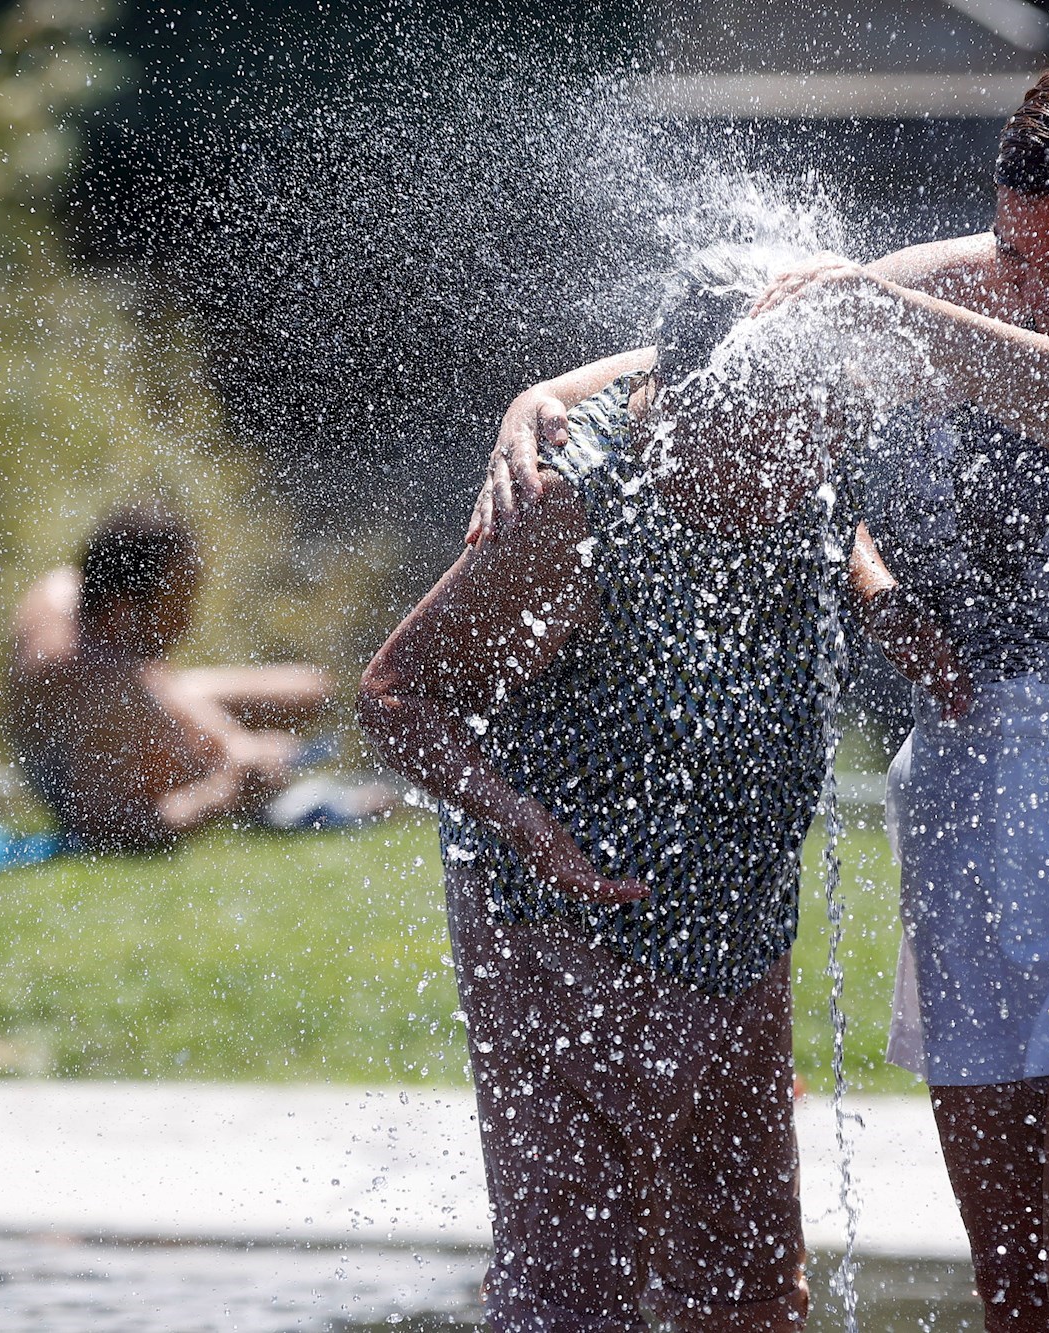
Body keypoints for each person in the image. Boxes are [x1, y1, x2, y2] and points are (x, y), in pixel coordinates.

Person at [471, 59, 1049, 1333]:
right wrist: (546, 399)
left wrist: (893, 316)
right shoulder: (964, 283)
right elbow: (715, 348)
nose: (1036, 296)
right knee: (1019, 1285)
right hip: (970, 796)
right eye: (1016, 257)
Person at [359, 245, 964, 1333]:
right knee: (570, 1293)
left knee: (746, 1292)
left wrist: (868, 582)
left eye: (825, 425)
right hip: (561, 925)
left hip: (737, 924)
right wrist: (524, 827)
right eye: (786, 431)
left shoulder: (801, 449)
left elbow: (811, 455)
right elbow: (397, 695)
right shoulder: (567, 508)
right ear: (686, 407)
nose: (812, 459)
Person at [6, 506, 391, 852]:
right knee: (252, 746)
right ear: (124, 609)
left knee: (308, 689)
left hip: (114, 722)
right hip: (82, 770)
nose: (186, 624)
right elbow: (104, 829)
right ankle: (289, 802)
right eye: (176, 605)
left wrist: (233, 746)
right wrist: (223, 791)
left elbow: (154, 684)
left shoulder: (62, 591)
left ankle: (273, 783)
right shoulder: (105, 687)